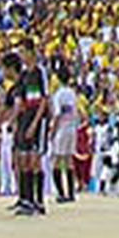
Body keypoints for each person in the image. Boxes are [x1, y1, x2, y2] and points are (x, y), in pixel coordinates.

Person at [13, 41, 49, 215]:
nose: (21, 55)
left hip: (38, 120)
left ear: (31, 52)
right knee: (25, 160)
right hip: (26, 119)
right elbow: (21, 100)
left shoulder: (40, 72)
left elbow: (44, 99)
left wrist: (36, 122)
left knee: (35, 161)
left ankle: (39, 201)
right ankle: (27, 200)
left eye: (22, 51)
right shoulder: (24, 75)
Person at [50, 64, 83, 203]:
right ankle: (71, 193)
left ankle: (61, 193)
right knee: (69, 160)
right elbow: (76, 112)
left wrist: (53, 131)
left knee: (57, 161)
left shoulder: (58, 94)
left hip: (62, 128)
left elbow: (57, 114)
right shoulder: (72, 93)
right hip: (71, 127)